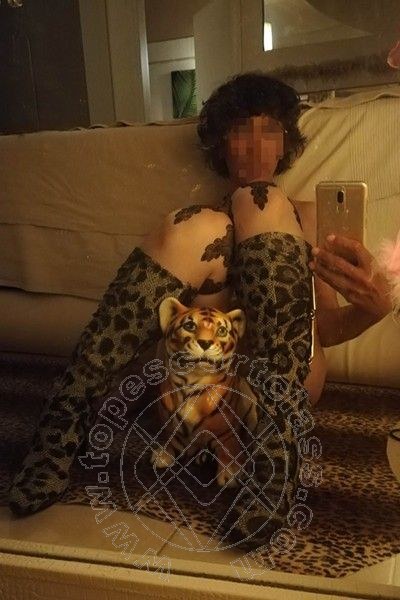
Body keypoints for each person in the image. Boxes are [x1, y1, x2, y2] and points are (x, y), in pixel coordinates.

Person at [8, 71, 391, 551]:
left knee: (263, 203)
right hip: (197, 394)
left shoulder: (309, 217)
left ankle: (276, 451)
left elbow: (325, 330)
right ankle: (63, 422)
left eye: (269, 130)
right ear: (221, 145)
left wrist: (374, 310)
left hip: (280, 391)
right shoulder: (200, 226)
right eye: (240, 131)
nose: (255, 146)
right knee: (194, 225)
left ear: (286, 143)